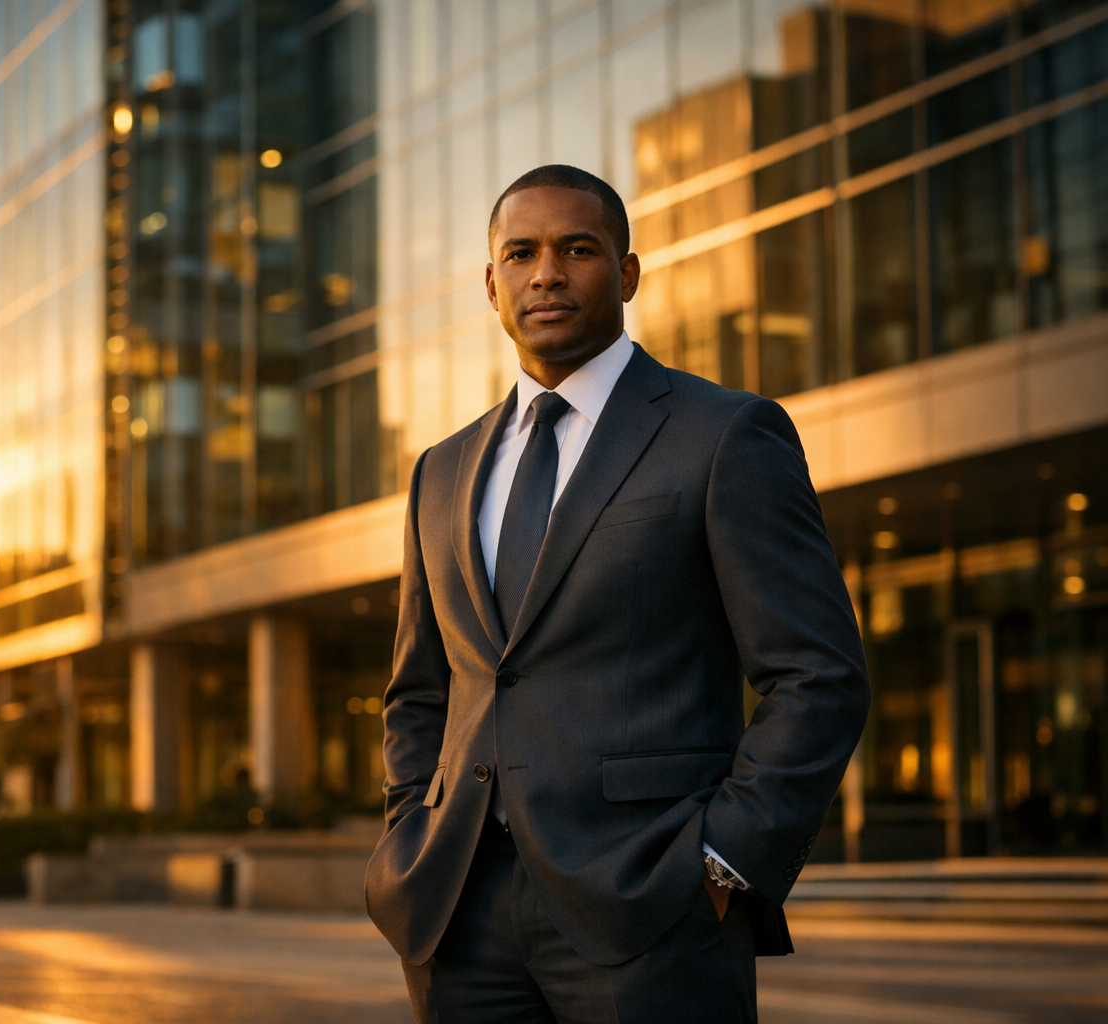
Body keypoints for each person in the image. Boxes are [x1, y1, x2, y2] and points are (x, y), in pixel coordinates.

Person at [364, 164, 870, 1023]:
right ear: (492, 284)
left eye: (578, 249)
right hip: (458, 919)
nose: (547, 273)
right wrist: (407, 835)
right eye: (520, 254)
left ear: (628, 273)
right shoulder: (439, 472)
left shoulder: (724, 435)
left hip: (655, 917)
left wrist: (723, 864)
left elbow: (818, 677)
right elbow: (422, 690)